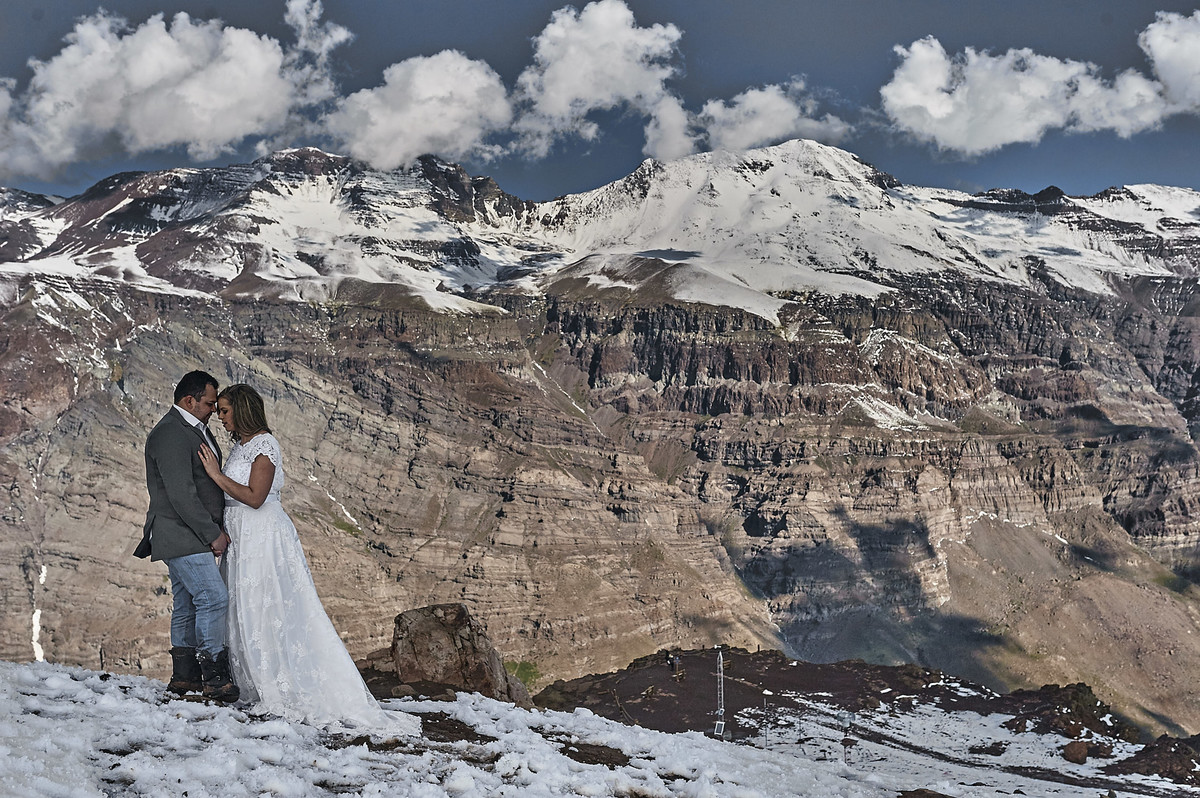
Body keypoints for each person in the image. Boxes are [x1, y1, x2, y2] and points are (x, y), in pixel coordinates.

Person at [198, 383, 417, 735]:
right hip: (241, 536)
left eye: (224, 410)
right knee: (244, 606)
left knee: (269, 606)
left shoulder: (265, 445)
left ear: (242, 410)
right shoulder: (238, 446)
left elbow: (256, 497)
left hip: (262, 535)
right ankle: (253, 681)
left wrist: (216, 475)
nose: (220, 417)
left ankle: (282, 686)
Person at [135, 370, 239, 703]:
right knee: (213, 598)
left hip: (185, 532)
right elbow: (181, 494)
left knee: (186, 604)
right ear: (188, 400)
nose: (214, 409)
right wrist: (213, 533)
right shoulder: (171, 433)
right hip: (182, 532)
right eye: (209, 403)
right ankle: (215, 679)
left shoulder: (192, 429)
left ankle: (185, 679)